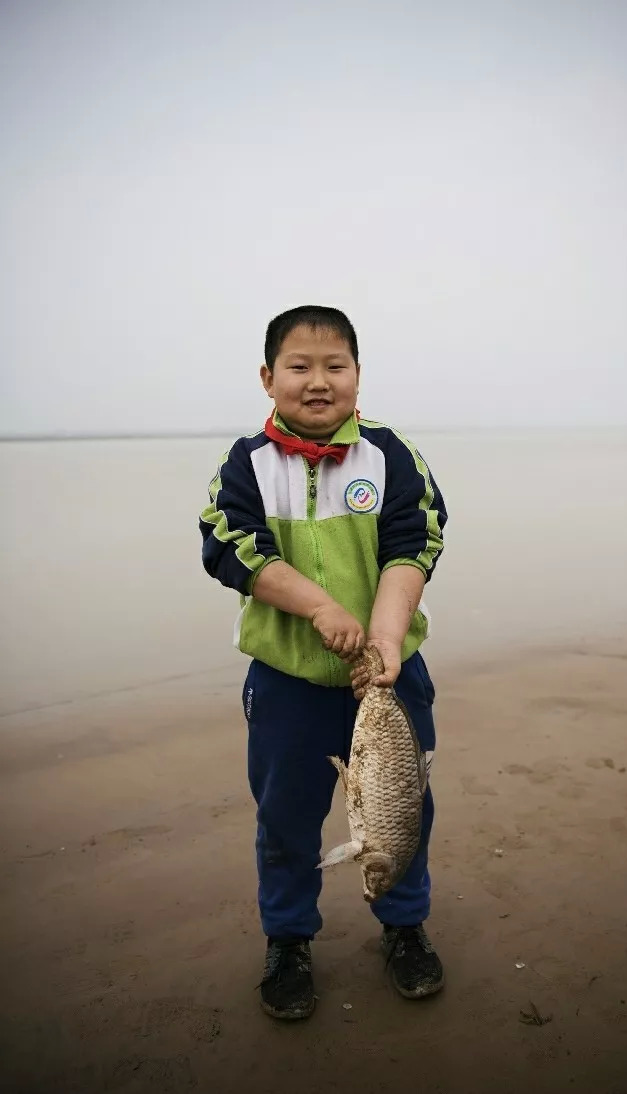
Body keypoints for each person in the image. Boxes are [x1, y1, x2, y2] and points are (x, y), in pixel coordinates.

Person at [199, 305, 448, 1020]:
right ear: (267, 377)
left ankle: (403, 925)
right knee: (286, 816)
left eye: (334, 366)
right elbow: (231, 547)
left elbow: (417, 541)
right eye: (299, 367)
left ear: (358, 376)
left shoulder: (391, 455)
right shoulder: (246, 464)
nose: (317, 382)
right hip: (289, 683)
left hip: (394, 677)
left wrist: (386, 638)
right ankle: (288, 939)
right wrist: (319, 608)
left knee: (403, 805)